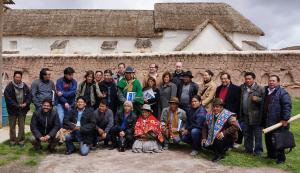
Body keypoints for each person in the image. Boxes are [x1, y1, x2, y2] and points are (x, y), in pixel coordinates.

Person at [262, 75, 291, 164]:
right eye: (270, 81)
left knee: (278, 140)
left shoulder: (283, 93)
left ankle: (281, 158)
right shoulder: (267, 91)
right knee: (268, 139)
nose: (271, 82)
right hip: (268, 120)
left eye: (273, 81)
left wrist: (285, 119)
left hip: (279, 122)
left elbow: (287, 106)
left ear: (278, 82)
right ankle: (271, 155)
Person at [4, 71, 31, 147]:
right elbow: (8, 99)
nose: (18, 79)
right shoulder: (9, 86)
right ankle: (12, 142)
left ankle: (21, 141)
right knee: (12, 126)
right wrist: (17, 105)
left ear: (21, 78)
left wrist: (26, 103)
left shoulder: (24, 86)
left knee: (21, 126)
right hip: (12, 110)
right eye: (16, 77)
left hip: (22, 110)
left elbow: (29, 96)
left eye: (19, 77)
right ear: (14, 77)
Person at [240, 72, 264, 156]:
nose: (247, 80)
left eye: (249, 79)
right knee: (247, 133)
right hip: (245, 115)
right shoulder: (242, 87)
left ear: (254, 79)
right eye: (246, 79)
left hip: (256, 116)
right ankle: (248, 149)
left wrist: (258, 99)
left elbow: (265, 101)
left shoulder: (260, 89)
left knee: (257, 134)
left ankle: (258, 151)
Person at [215, 72, 241, 145]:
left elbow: (237, 103)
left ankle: (231, 143)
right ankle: (221, 141)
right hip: (220, 112)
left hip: (230, 113)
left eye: (225, 78)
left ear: (229, 79)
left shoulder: (236, 88)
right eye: (222, 79)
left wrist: (232, 114)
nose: (223, 80)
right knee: (222, 128)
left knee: (231, 129)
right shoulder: (218, 88)